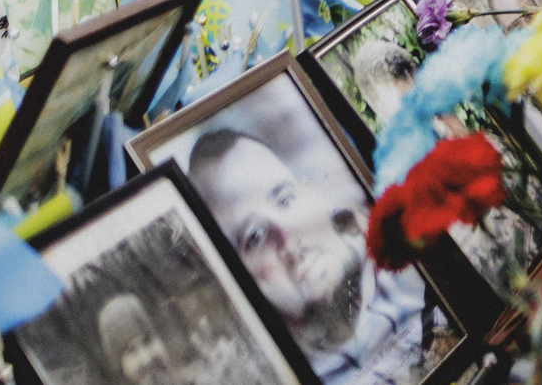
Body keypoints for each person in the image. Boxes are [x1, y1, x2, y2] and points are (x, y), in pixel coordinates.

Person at [187, 129, 438, 385]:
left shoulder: (419, 260)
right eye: (255, 237)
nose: (288, 237)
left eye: (285, 200)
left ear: (313, 193)